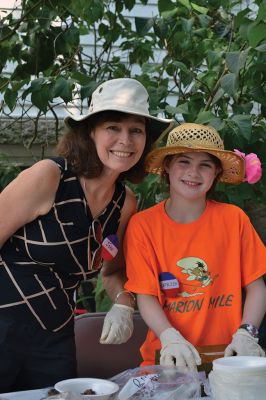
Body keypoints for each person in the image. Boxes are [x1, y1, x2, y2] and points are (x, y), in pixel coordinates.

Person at [0, 77, 173, 391]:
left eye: (136, 130)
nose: (126, 140)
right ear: (90, 131)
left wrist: (123, 303)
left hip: (56, 340)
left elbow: (112, 271)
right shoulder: (49, 176)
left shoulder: (124, 203)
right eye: (113, 127)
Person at [124, 122, 266, 369]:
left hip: (229, 357)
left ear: (216, 174)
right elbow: (145, 295)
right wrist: (168, 336)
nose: (193, 173)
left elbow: (256, 286)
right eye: (184, 162)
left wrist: (247, 332)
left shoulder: (234, 219)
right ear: (167, 166)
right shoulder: (142, 225)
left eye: (205, 165)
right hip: (167, 359)